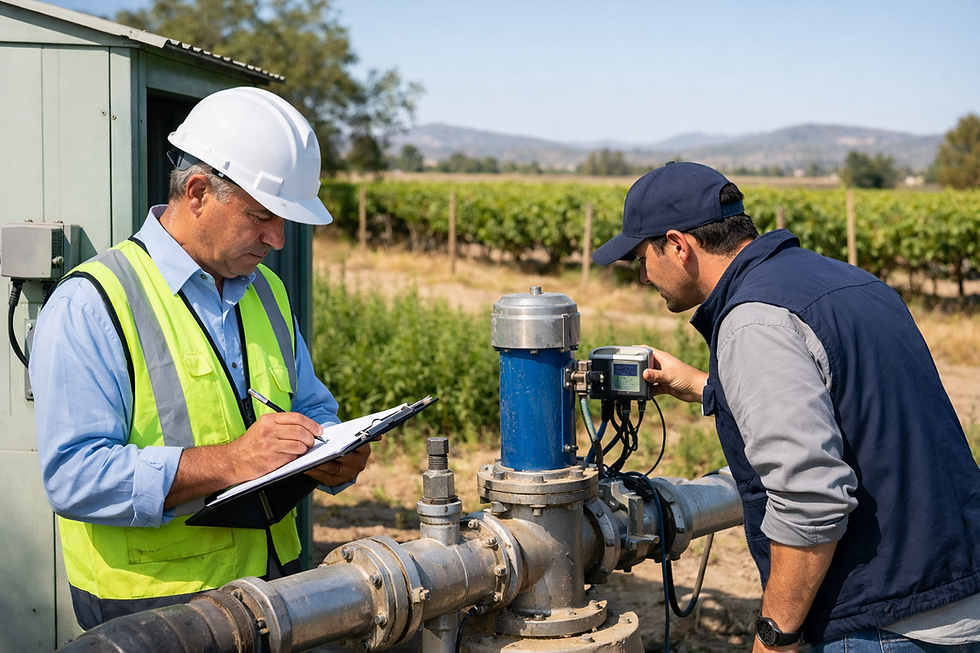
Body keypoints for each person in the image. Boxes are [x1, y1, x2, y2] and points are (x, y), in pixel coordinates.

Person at [592, 162, 980, 653]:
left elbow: (811, 500)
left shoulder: (754, 323)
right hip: (953, 590)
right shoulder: (848, 281)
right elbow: (843, 404)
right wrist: (699, 384)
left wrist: (776, 635)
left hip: (879, 621)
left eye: (639, 256)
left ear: (677, 245)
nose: (643, 276)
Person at [29, 87, 372, 629]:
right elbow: (75, 477)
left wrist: (334, 451)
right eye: (262, 217)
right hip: (155, 608)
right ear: (197, 192)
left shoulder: (267, 292)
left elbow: (311, 405)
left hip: (272, 589)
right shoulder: (91, 303)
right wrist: (231, 461)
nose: (277, 239)